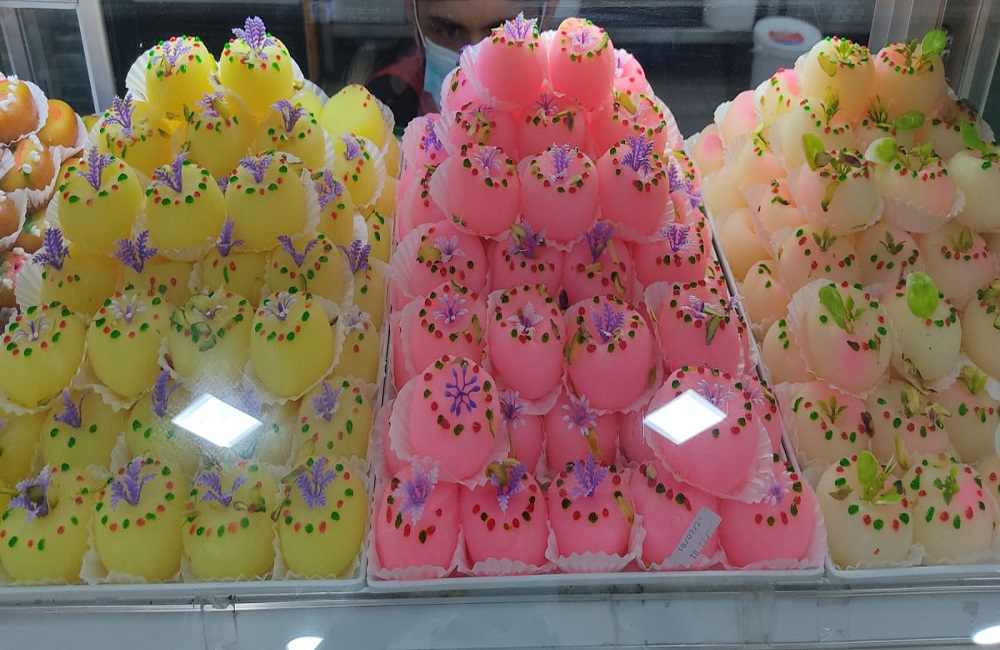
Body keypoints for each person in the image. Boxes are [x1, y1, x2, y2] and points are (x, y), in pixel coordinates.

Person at [367, 0, 554, 127]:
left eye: (503, 34)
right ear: (412, 10)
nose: (471, 58)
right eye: (448, 31)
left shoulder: (562, 106)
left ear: (549, 10)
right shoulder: (385, 102)